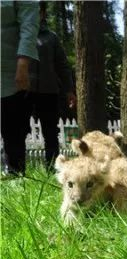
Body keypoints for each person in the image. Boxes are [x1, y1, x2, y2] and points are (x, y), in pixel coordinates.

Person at [29, 1, 76, 170]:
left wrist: (69, 90)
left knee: (50, 133)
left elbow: (62, 65)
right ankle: (16, 170)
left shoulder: (51, 37)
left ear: (42, 14)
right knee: (17, 131)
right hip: (22, 92)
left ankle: (53, 169)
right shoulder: (17, 35)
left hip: (48, 92)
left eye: (37, 11)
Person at [1, 1, 39, 177]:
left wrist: (23, 63)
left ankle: (15, 176)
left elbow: (29, 25)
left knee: (13, 130)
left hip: (11, 72)